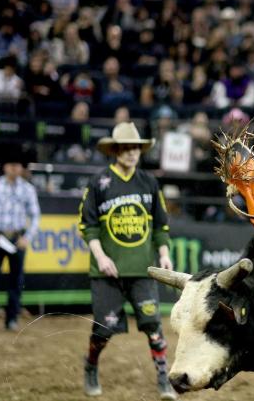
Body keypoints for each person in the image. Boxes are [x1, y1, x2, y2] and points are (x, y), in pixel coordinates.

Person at [77, 122, 177, 400]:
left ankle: (163, 379)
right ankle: (91, 366)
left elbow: (160, 225)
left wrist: (164, 254)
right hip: (106, 271)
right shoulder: (99, 183)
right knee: (103, 330)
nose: (132, 153)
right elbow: (87, 226)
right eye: (126, 148)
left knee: (154, 326)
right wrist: (101, 256)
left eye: (136, 148)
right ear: (115, 150)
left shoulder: (148, 182)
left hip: (142, 270)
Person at [0, 147, 40, 331]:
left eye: (17, 165)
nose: (14, 168)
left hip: (17, 239)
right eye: (11, 165)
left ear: (21, 168)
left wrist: (27, 237)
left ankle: (11, 318)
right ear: (5, 167)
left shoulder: (28, 189)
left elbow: (36, 215)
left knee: (16, 280)